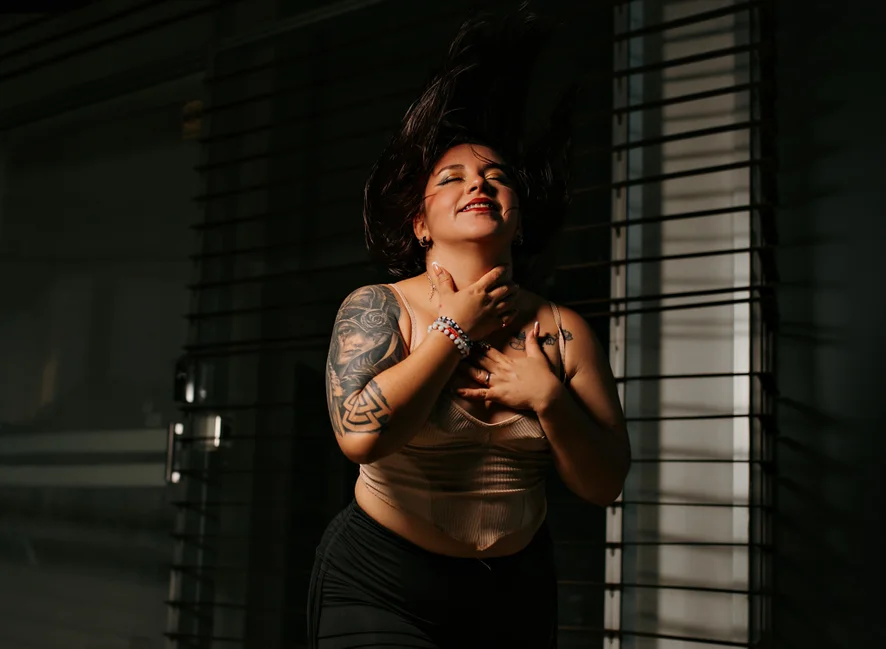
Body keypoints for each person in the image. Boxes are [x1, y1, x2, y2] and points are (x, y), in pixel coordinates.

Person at [307, 7, 630, 649]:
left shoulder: (562, 332)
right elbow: (358, 436)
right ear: (420, 224)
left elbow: (605, 483)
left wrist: (548, 397)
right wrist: (453, 329)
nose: (477, 183)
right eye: (450, 178)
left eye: (495, 177)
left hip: (514, 593)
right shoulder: (378, 308)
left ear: (518, 217)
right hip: (381, 582)